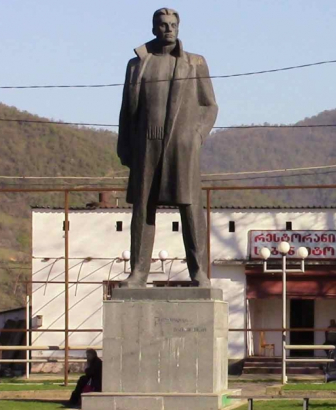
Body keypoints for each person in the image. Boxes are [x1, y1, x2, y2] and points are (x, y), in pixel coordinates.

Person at [117, 8, 218, 288]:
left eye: (173, 24)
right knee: (143, 207)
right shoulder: (138, 63)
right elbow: (127, 110)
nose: (168, 29)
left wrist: (195, 137)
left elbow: (209, 105)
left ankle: (198, 271)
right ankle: (138, 272)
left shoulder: (194, 62)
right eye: (163, 25)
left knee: (190, 208)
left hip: (181, 145)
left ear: (179, 27)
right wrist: (125, 146)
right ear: (154, 28)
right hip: (145, 144)